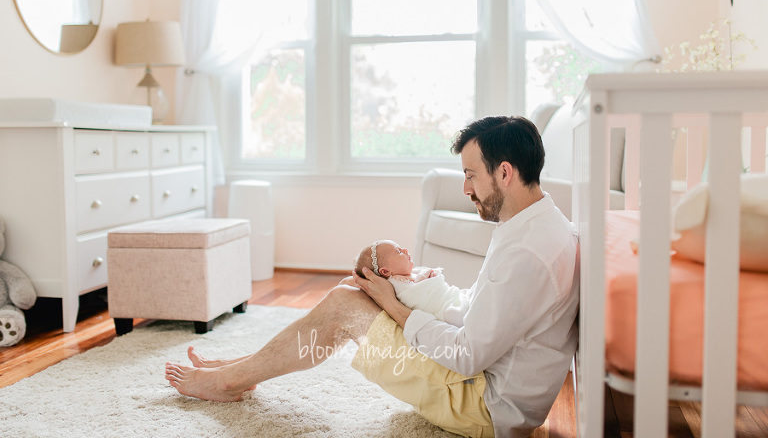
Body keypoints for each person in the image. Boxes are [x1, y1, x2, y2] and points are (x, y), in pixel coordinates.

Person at [165, 115, 579, 438]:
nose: (466, 189)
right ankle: (245, 369)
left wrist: (394, 305)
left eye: (471, 175)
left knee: (348, 305)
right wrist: (412, 293)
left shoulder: (528, 251)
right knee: (352, 289)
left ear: (504, 173)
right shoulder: (532, 225)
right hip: (482, 382)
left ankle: (230, 380)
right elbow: (477, 311)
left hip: (484, 407)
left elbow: (467, 355)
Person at [354, 239, 469, 326]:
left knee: (466, 301)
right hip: (442, 308)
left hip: (449, 296)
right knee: (456, 315)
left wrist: (431, 275)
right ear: (385, 271)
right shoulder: (395, 284)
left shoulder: (411, 273)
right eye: (398, 252)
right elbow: (414, 293)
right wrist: (424, 278)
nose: (405, 250)